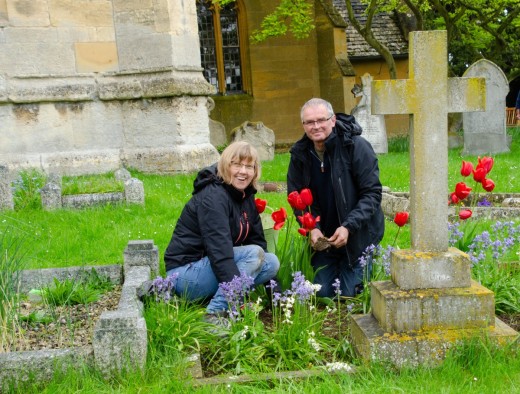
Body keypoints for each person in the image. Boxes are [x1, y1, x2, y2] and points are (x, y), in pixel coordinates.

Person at [164, 141, 280, 324]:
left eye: (249, 166)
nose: (243, 171)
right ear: (225, 166)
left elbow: (258, 240)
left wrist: (275, 293)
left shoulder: (245, 195)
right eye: (237, 165)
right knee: (253, 254)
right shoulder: (213, 197)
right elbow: (220, 251)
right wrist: (238, 300)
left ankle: (224, 300)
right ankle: (215, 313)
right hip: (185, 275)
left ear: (255, 171)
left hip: (210, 268)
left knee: (271, 262)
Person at [287, 98, 385, 298]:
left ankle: (360, 264)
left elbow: (372, 194)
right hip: (324, 240)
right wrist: (311, 228)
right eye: (309, 122)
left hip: (358, 235)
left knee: (350, 294)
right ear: (303, 125)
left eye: (321, 120)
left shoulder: (356, 147)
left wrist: (348, 226)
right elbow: (295, 197)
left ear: (333, 120)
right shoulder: (300, 154)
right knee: (322, 294)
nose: (316, 126)